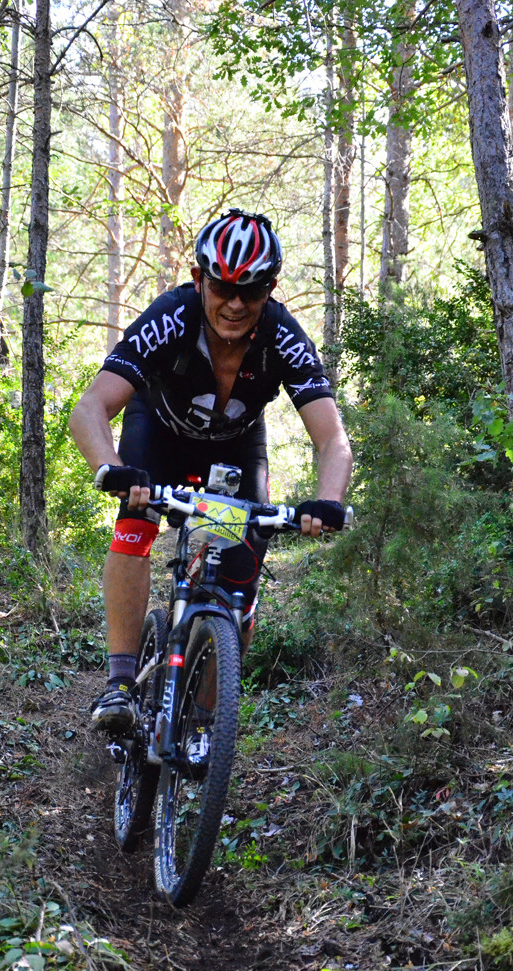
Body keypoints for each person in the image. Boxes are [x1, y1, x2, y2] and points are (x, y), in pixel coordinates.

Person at [69, 208, 352, 733]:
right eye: (222, 287)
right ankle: (120, 683)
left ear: (271, 289)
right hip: (158, 435)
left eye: (252, 290)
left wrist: (328, 501)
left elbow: (332, 437)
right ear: (200, 279)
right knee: (135, 525)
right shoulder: (171, 316)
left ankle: (201, 722)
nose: (235, 303)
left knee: (240, 582)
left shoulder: (282, 336)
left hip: (235, 449)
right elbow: (90, 408)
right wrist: (111, 467)